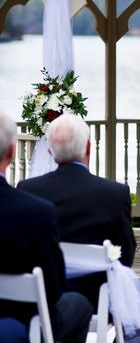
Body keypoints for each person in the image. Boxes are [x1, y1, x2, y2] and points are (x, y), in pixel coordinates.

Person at [18, 114, 140, 334]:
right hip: (97, 298)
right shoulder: (114, 193)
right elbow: (126, 256)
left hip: (45, 296)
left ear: (50, 152)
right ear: (89, 148)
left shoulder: (28, 189)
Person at [0, 111, 92, 343]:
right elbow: (53, 286)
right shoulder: (35, 211)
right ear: (12, 153)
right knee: (80, 304)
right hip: (19, 319)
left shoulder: (30, 197)